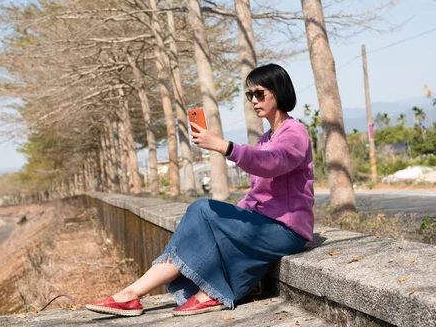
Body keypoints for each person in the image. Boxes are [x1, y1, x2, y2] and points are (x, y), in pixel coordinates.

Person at [86, 63, 314, 317]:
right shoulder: (265, 138)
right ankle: (137, 294)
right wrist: (232, 214)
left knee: (202, 208)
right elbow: (257, 194)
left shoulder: (295, 133)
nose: (253, 101)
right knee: (204, 216)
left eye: (259, 93)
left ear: (278, 91)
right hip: (264, 225)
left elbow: (273, 163)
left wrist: (224, 146)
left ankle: (144, 294)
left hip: (286, 230)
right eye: (250, 95)